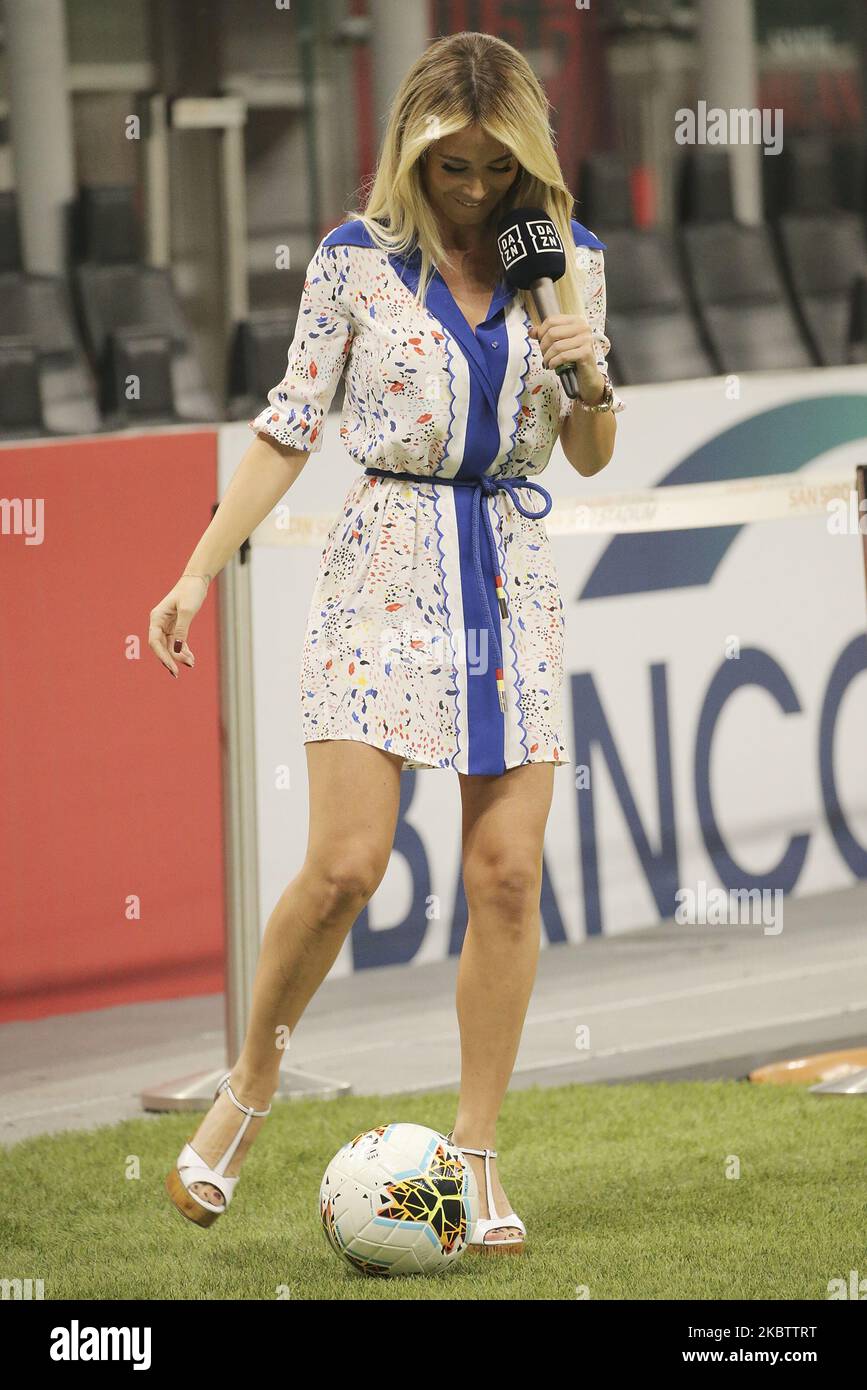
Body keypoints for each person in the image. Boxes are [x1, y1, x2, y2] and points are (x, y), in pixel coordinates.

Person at [149, 29, 624, 1254]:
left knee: (507, 873)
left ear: (527, 158)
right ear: (412, 154)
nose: (472, 192)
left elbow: (589, 455)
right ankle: (249, 1084)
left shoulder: (565, 262)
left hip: (509, 572)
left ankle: (473, 1155)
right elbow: (288, 426)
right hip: (384, 562)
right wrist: (200, 572)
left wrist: (590, 374)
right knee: (348, 864)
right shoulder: (355, 263)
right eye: (450, 168)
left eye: (491, 169)